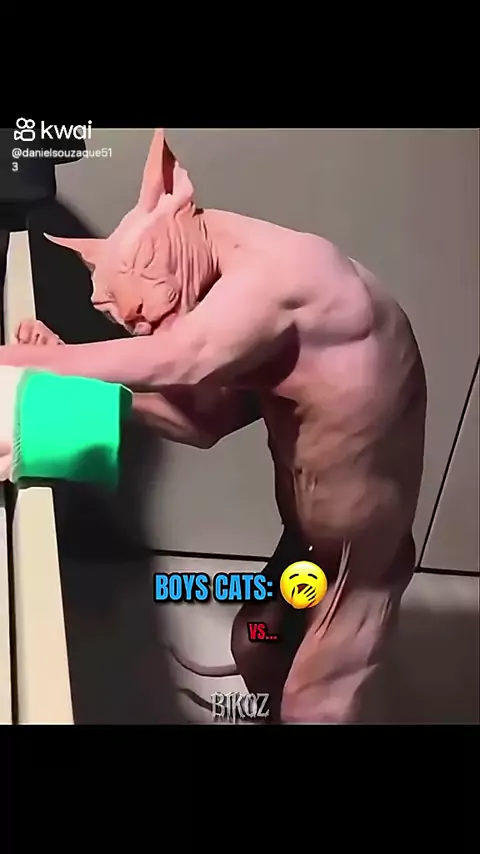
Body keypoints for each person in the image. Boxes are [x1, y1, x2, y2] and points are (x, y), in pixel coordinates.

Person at [0, 128, 427, 723]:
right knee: (255, 645)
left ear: (178, 198)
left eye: (151, 306)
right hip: (305, 539)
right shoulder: (235, 312)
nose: (144, 324)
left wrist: (26, 361)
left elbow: (178, 359)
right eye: (130, 320)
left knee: (316, 702)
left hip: (359, 564)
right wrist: (74, 377)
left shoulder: (286, 277)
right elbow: (202, 422)